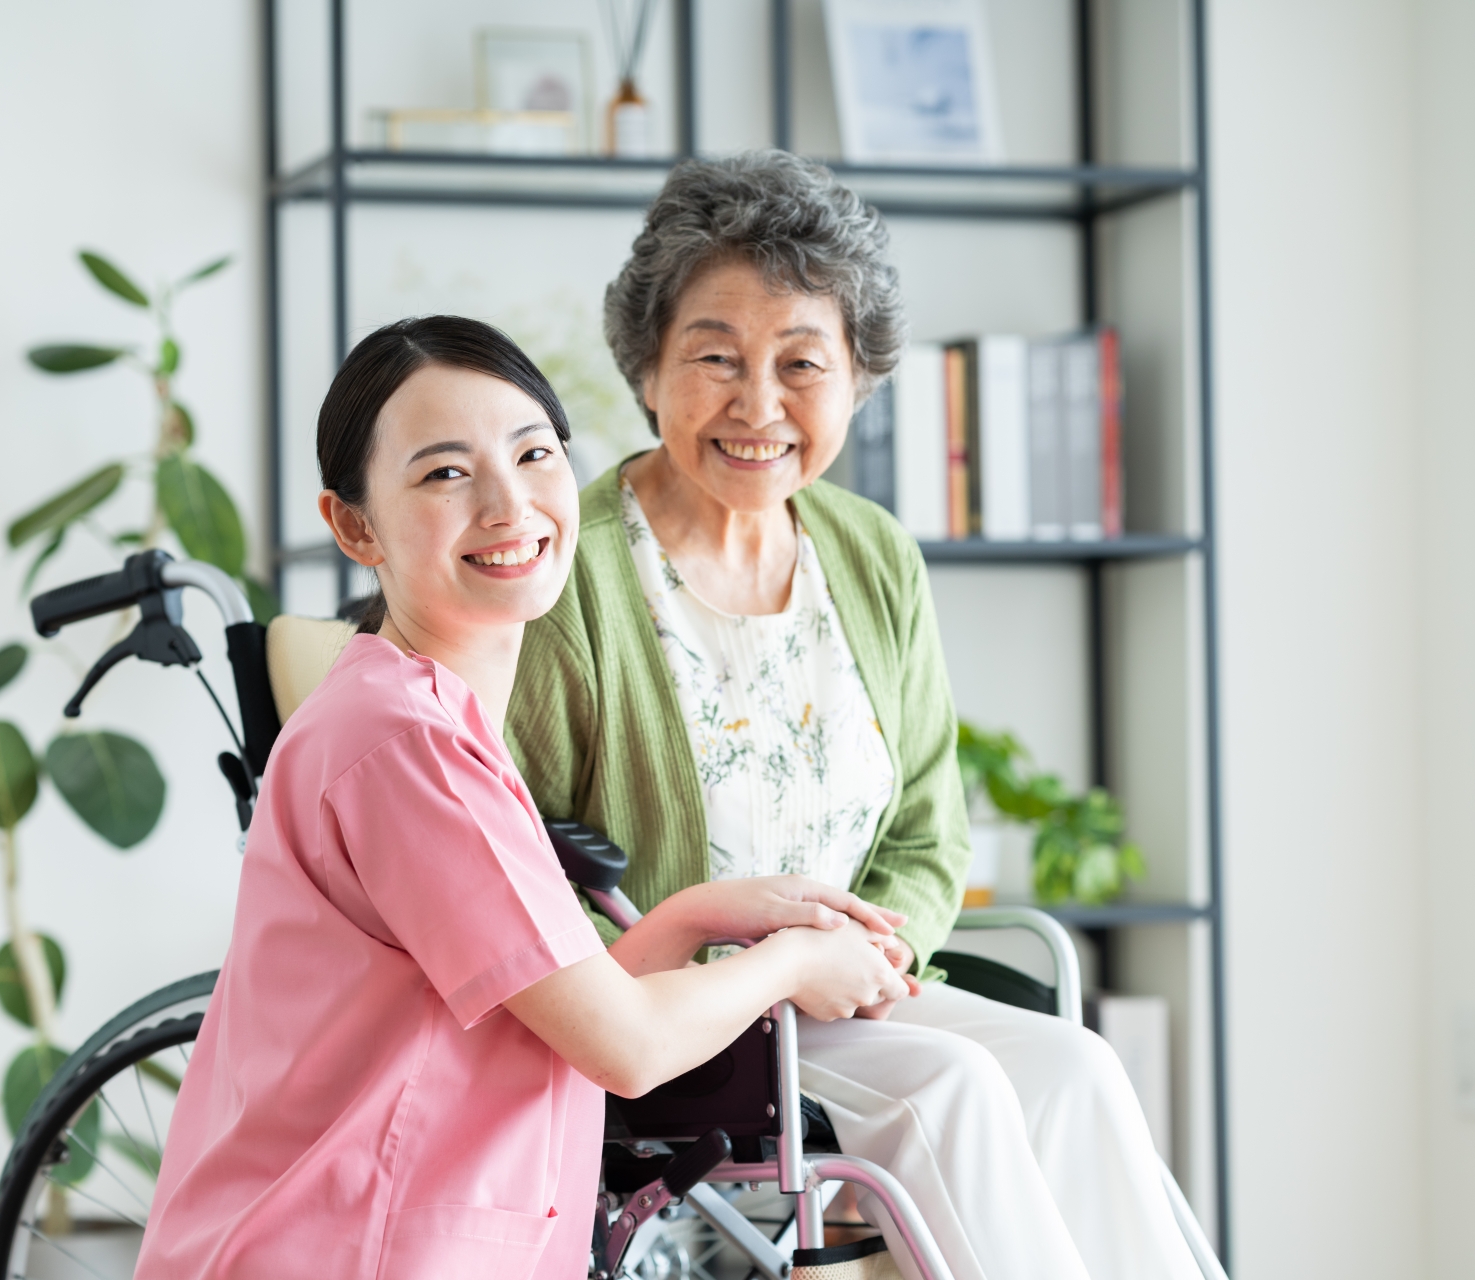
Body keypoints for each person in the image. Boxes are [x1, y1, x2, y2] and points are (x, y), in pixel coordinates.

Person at [507, 153, 1205, 1280]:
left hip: (853, 997)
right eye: (716, 358)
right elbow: (518, 858)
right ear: (648, 366)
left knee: (1078, 1066)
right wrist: (739, 970)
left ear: (860, 380)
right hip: (680, 1021)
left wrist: (865, 956)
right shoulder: (571, 569)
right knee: (958, 1086)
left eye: (801, 364)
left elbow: (930, 833)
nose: (758, 406)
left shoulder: (873, 552)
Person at [134, 315, 905, 1280]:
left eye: (534, 453)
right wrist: (794, 962)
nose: (511, 503)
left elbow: (543, 1009)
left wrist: (705, 911)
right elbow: (623, 1047)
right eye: (445, 474)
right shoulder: (405, 745)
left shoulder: (430, 720)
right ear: (354, 525)